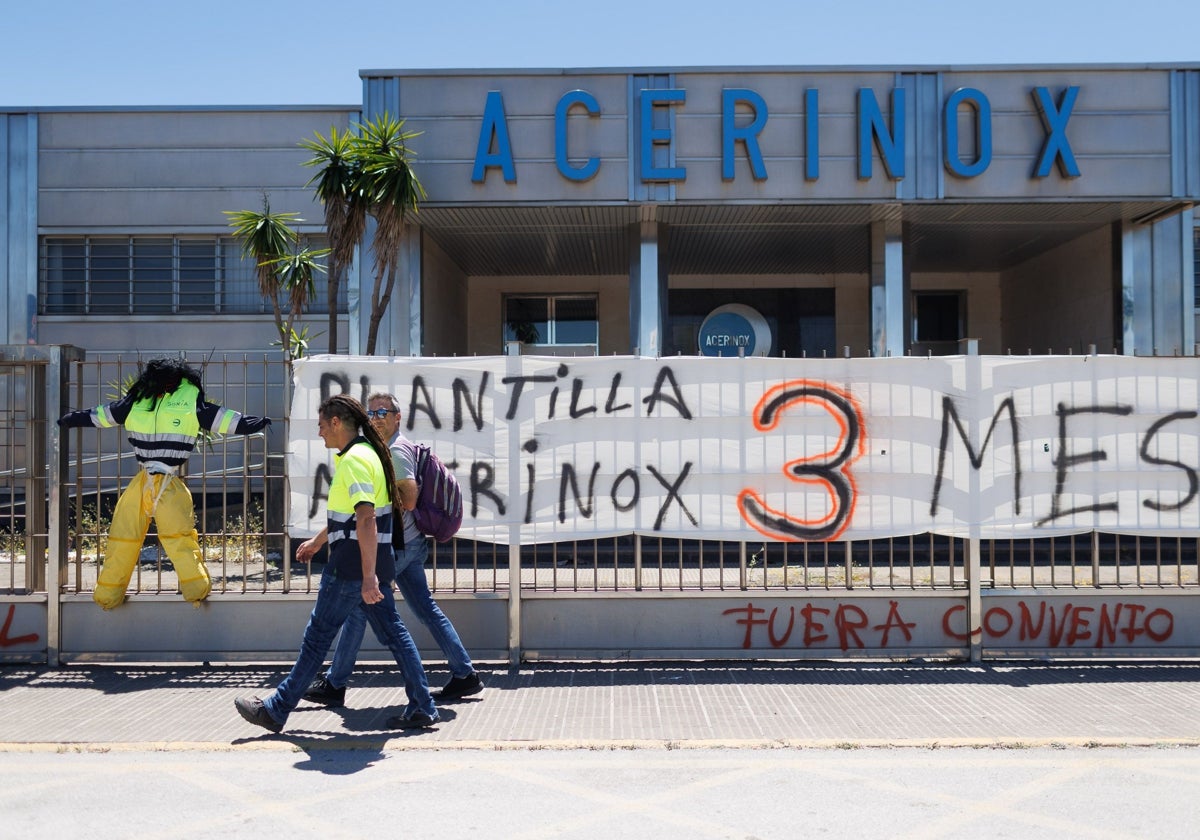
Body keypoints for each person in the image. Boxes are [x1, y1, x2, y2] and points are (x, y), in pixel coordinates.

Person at [234, 394, 438, 733]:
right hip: (366, 565)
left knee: (317, 639)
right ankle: (423, 706)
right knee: (395, 635)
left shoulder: (355, 460)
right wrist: (318, 541)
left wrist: (368, 577)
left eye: (321, 425)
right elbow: (353, 515)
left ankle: (276, 709)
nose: (319, 434)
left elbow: (366, 519)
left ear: (336, 423)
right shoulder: (369, 454)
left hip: (350, 568)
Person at [304, 391, 484, 707]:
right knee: (425, 608)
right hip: (410, 544)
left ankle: (335, 683)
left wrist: (373, 507)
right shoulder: (381, 450)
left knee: (360, 605)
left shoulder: (397, 451)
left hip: (401, 545)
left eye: (383, 412)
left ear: (397, 417)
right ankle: (464, 674)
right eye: (371, 413)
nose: (376, 418)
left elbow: (408, 500)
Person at [57, 357, 271, 610]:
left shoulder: (171, 399)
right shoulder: (145, 399)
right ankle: (111, 593)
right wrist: (73, 418)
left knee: (168, 536)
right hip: (150, 480)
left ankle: (192, 588)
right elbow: (106, 414)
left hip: (164, 480)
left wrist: (254, 422)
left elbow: (222, 419)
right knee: (135, 536)